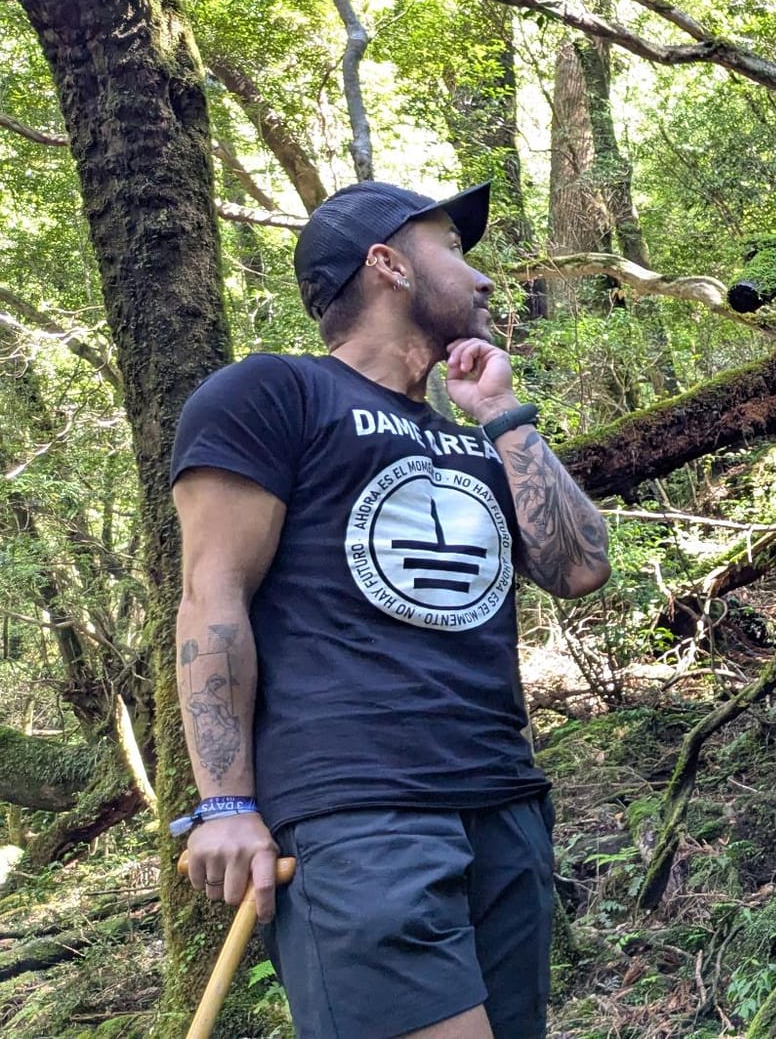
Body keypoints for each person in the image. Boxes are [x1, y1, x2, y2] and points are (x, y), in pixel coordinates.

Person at [169, 179, 610, 1039]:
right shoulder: (274, 393)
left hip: (504, 805)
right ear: (388, 264)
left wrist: (502, 415)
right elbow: (211, 596)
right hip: (357, 816)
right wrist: (225, 803)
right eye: (452, 248)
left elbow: (580, 566)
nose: (482, 278)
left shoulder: (473, 441)